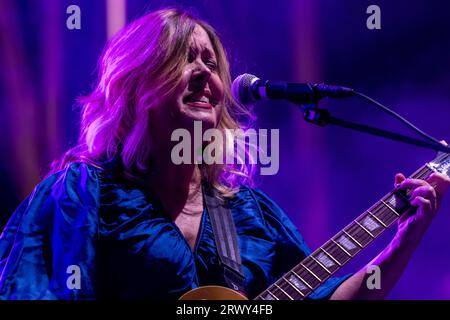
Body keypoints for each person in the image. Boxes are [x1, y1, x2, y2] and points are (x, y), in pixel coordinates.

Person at [0, 8, 449, 300]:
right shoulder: (80, 194)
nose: (203, 73)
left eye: (211, 64)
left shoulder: (249, 212)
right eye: (182, 59)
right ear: (135, 85)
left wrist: (405, 237)